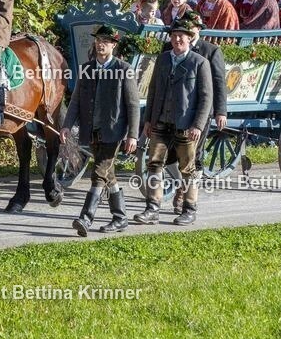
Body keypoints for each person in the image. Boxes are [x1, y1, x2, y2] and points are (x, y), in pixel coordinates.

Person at [134, 15, 213, 226]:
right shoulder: (163, 59)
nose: (178, 40)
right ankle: (152, 208)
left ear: (189, 39)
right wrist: (149, 120)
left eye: (182, 37)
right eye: (175, 36)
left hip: (186, 125)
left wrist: (197, 125)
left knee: (188, 168)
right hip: (160, 122)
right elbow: (153, 91)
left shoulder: (200, 63)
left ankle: (189, 209)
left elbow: (206, 97)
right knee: (154, 164)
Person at [61, 25, 140, 236]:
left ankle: (85, 218)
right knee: (108, 175)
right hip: (92, 131)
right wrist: (67, 125)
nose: (100, 44)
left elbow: (133, 105)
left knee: (98, 174)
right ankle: (120, 217)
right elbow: (76, 100)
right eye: (98, 40)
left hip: (114, 132)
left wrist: (132, 134)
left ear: (113, 45)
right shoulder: (87, 69)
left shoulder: (124, 69)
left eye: (105, 41)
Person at [162, 10, 228, 215]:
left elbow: (218, 83)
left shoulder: (210, 51)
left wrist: (220, 111)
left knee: (192, 156)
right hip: (174, 111)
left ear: (197, 30)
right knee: (169, 156)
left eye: (190, 28)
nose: (185, 33)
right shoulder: (169, 48)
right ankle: (180, 183)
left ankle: (186, 196)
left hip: (200, 112)